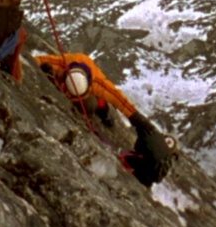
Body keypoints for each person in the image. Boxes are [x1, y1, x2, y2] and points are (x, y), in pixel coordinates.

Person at [35, 52, 178, 187]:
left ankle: (101, 109)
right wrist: (45, 68)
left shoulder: (97, 82)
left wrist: (136, 118)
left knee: (90, 104)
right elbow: (38, 60)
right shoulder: (63, 62)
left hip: (89, 96)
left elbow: (119, 100)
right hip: (63, 79)